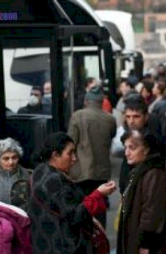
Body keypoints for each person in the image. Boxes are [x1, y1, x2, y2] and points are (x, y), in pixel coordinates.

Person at [28, 132, 116, 254]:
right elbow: (74, 215)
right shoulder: (55, 179)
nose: (74, 158)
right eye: (70, 153)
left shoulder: (39, 172)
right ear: (55, 155)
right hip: (62, 246)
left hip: (43, 243)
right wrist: (98, 194)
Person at [67, 85, 117, 227]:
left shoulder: (77, 116)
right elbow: (111, 136)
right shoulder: (110, 119)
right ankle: (100, 235)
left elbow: (71, 142)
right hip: (101, 170)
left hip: (80, 170)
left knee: (83, 206)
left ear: (86, 101)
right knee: (99, 205)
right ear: (101, 102)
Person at [117, 129, 166, 254]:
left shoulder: (154, 173)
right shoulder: (139, 170)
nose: (127, 153)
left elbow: (152, 212)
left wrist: (146, 244)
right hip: (135, 238)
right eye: (126, 148)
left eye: (132, 148)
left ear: (146, 149)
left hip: (145, 245)